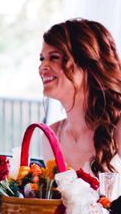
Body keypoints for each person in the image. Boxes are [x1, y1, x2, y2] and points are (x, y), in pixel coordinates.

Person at [39, 18, 121, 175]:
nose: (42, 66)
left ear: (86, 64)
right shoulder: (50, 137)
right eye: (42, 58)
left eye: (54, 57)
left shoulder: (117, 128)